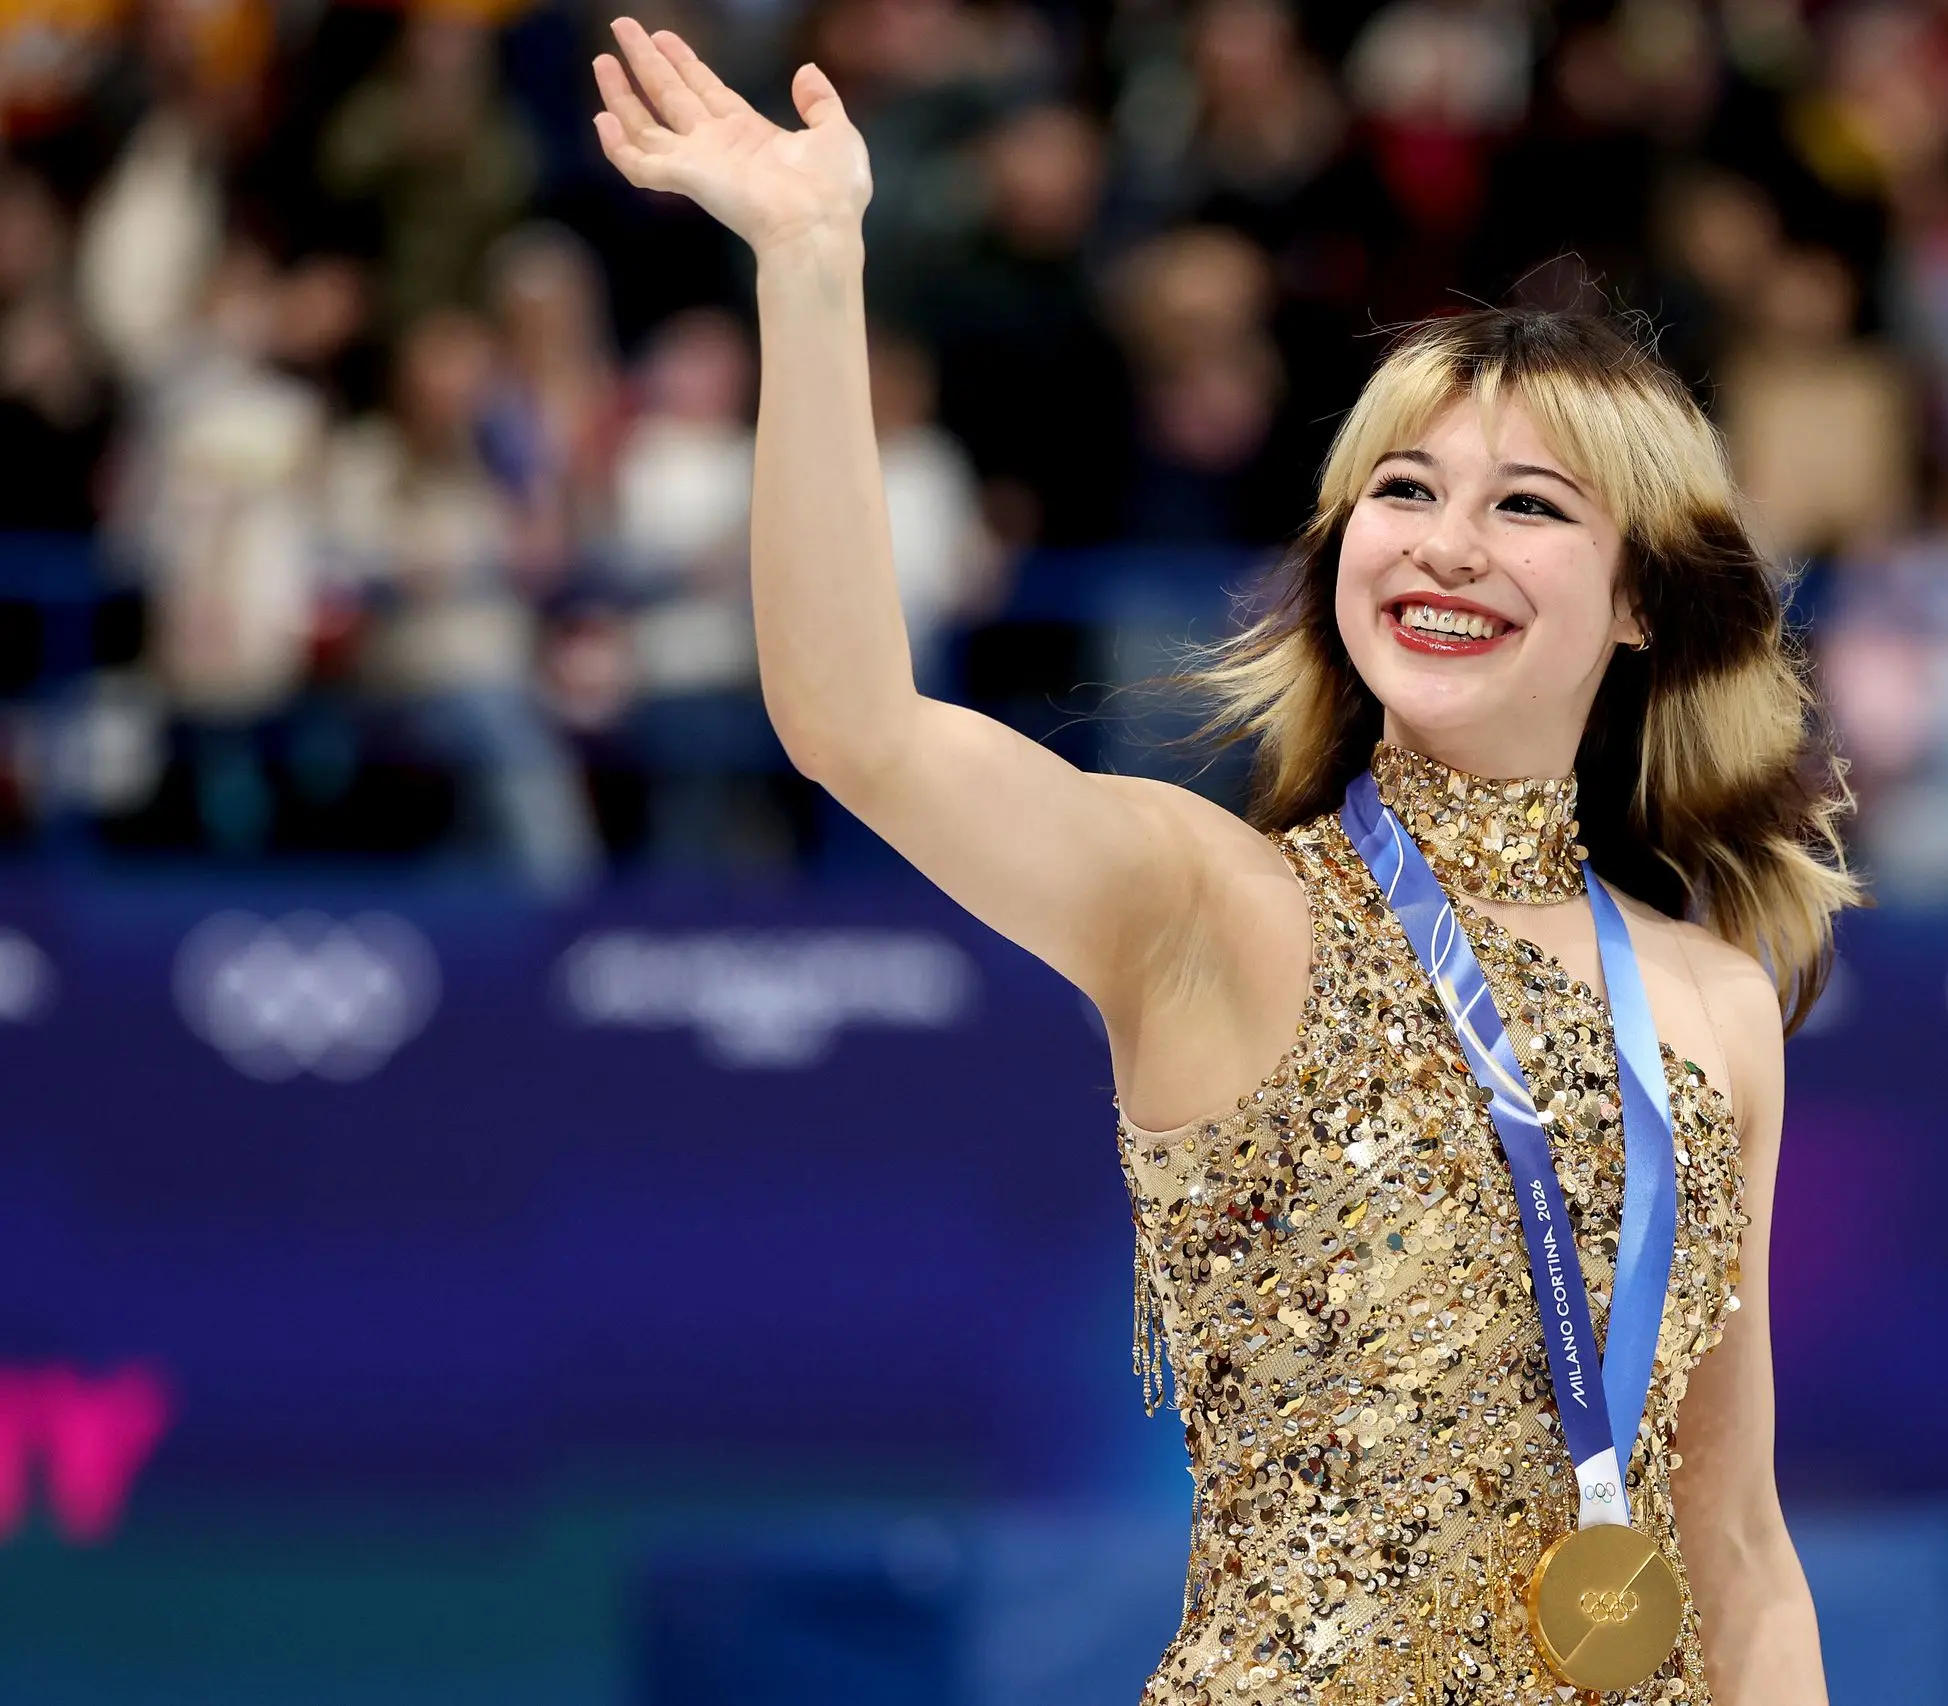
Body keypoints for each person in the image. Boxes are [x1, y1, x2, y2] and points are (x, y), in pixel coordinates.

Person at [589, 18, 1855, 1703]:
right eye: (1404, 489)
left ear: (1642, 600)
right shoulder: (1211, 901)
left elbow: (1740, 1548)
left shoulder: (1712, 1002)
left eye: (1530, 506)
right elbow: (856, 727)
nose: (1447, 545)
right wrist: (814, 269)